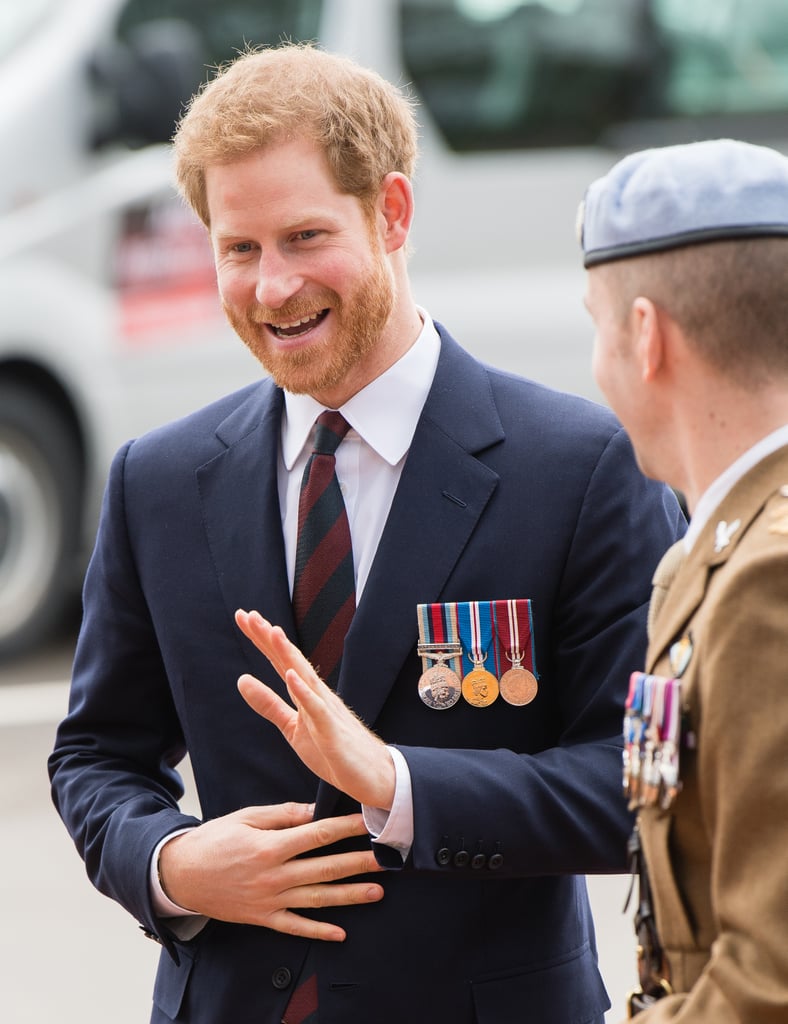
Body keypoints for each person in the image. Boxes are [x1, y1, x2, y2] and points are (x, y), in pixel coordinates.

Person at [49, 43, 684, 1024]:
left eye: (304, 236)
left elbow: (637, 786)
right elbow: (95, 753)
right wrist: (171, 862)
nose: (270, 288)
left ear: (391, 212)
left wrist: (396, 784)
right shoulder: (157, 480)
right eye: (239, 249)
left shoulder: (579, 465)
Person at [578, 137, 788, 1021]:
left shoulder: (763, 581)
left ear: (644, 334)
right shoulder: (712, 556)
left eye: (594, 325)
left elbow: (768, 982)